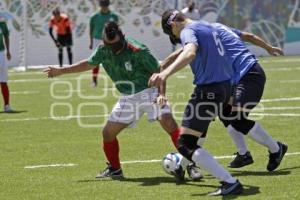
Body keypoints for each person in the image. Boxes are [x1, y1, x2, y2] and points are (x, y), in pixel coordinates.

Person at [43, 21, 202, 181]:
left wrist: (161, 94)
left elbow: (158, 70)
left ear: (122, 38)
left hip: (150, 91)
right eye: (108, 46)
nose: (112, 50)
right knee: (108, 133)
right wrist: (61, 71)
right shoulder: (103, 50)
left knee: (169, 123)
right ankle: (115, 169)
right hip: (128, 97)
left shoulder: (138, 50)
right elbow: (88, 64)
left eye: (115, 46)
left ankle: (190, 165)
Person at [149, 10, 243, 196]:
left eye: (172, 34)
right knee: (198, 133)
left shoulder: (187, 31)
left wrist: (165, 74)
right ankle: (181, 166)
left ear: (173, 24)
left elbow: (190, 52)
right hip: (225, 86)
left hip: (208, 90)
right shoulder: (208, 26)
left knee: (185, 143)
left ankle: (229, 182)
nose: (176, 37)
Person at [212, 23, 288, 171]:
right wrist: (268, 48)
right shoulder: (219, 27)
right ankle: (244, 154)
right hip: (239, 79)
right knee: (225, 113)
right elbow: (249, 36)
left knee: (237, 118)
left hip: (249, 75)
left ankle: (276, 149)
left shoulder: (204, 34)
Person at [89, 0, 118, 87]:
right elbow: (91, 30)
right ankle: (94, 81)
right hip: (97, 40)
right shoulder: (94, 17)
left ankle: (117, 80)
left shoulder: (114, 16)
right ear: (100, 5)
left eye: (105, 5)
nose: (104, 7)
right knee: (95, 61)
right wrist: (91, 42)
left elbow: (117, 30)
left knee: (114, 60)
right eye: (102, 5)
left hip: (111, 41)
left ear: (108, 5)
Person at [0, 19, 13, 112]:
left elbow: (6, 36)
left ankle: (7, 105)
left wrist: (8, 51)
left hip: (1, 53)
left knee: (3, 80)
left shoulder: (2, 23)